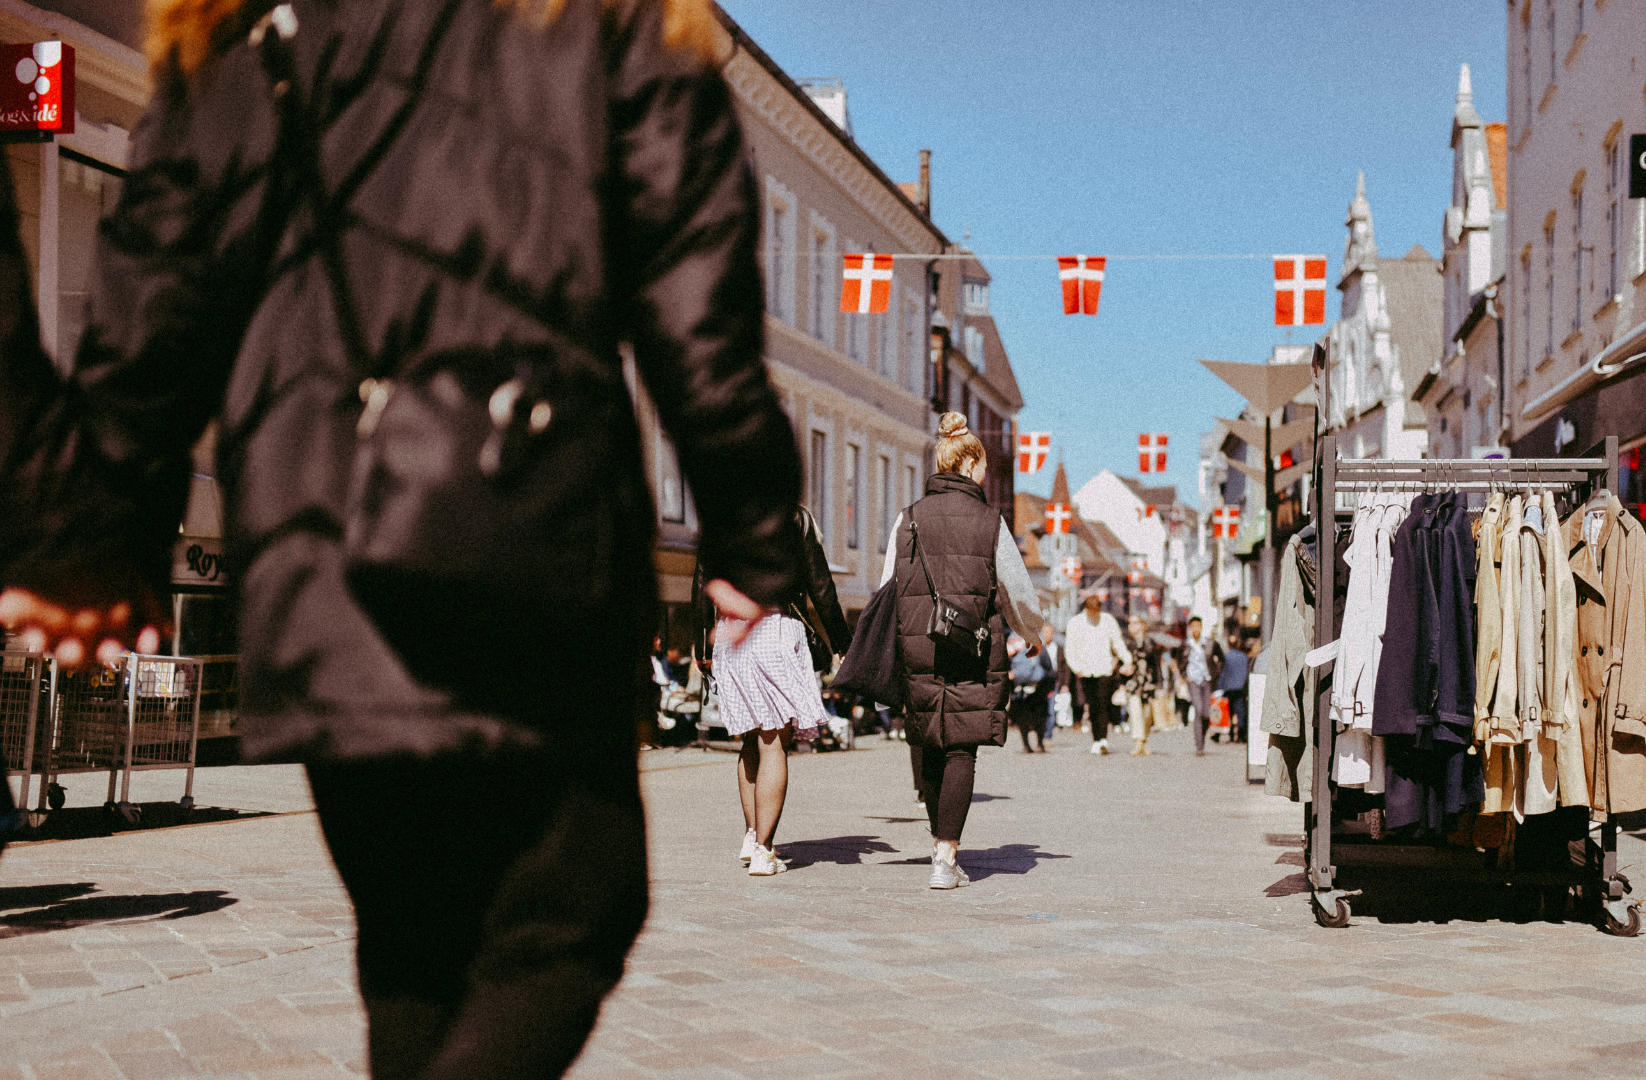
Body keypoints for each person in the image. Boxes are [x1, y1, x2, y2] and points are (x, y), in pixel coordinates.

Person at [0, 3, 805, 1077]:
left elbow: (155, 305)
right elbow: (697, 316)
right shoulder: (613, 22)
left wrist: (91, 532)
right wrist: (752, 534)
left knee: (416, 950)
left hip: (313, 551)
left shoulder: (242, 35)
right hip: (532, 536)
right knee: (573, 908)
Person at [879, 413, 1045, 889]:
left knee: (930, 744)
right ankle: (945, 857)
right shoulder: (990, 521)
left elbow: (888, 586)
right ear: (970, 464)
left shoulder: (907, 518)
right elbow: (1015, 590)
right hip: (971, 647)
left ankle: (939, 848)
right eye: (983, 467)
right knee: (961, 751)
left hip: (919, 647)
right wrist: (1030, 632)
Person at [702, 506, 849, 875]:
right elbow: (820, 584)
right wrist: (843, 643)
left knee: (750, 739)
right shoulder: (794, 518)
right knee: (773, 742)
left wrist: (701, 643)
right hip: (775, 628)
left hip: (730, 633)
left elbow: (702, 580)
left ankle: (752, 837)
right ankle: (765, 851)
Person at [1064, 595, 1132, 754]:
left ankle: (1103, 739)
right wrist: (1076, 667)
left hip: (1104, 669)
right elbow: (1070, 649)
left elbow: (1118, 642)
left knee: (1103, 704)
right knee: (1092, 705)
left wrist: (1127, 659)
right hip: (1086, 671)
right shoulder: (1075, 623)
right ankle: (1096, 738)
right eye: (1092, 612)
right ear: (1086, 610)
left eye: (1097, 612)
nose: (1095, 615)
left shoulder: (1108, 621)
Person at [1178, 617, 1225, 755]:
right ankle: (1199, 746)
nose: (1195, 629)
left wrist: (1216, 674)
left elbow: (1221, 658)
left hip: (1207, 679)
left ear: (1201, 627)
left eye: (1198, 626)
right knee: (1198, 710)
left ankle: (1202, 737)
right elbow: (1179, 661)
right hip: (1194, 681)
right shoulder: (1186, 644)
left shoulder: (1210, 643)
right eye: (1193, 626)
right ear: (1190, 628)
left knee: (1205, 713)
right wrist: (1185, 676)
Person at [1008, 632, 1054, 752]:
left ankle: (1026, 745)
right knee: (1040, 718)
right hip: (1038, 688)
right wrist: (1050, 686)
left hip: (1019, 689)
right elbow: (1048, 667)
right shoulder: (1038, 645)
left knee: (1022, 719)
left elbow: (1006, 664)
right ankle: (1040, 743)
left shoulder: (1013, 644)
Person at [1123, 615, 1160, 755]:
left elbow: (1156, 665)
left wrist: (1160, 685)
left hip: (1148, 683)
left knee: (1147, 714)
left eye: (1135, 623)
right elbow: (1121, 662)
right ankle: (1138, 743)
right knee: (1135, 712)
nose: (1131, 626)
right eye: (1130, 623)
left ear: (1143, 625)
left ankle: (1144, 742)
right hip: (1133, 683)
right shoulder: (1127, 642)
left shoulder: (1150, 642)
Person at [1220, 629, 1253, 744]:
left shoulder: (1227, 657)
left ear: (1229, 645)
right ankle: (1240, 735)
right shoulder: (1244, 657)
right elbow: (1248, 673)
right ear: (1238, 644)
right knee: (1241, 712)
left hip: (1229, 688)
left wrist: (1220, 687)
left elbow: (1223, 673)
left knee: (1230, 712)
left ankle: (1231, 734)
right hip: (1241, 688)